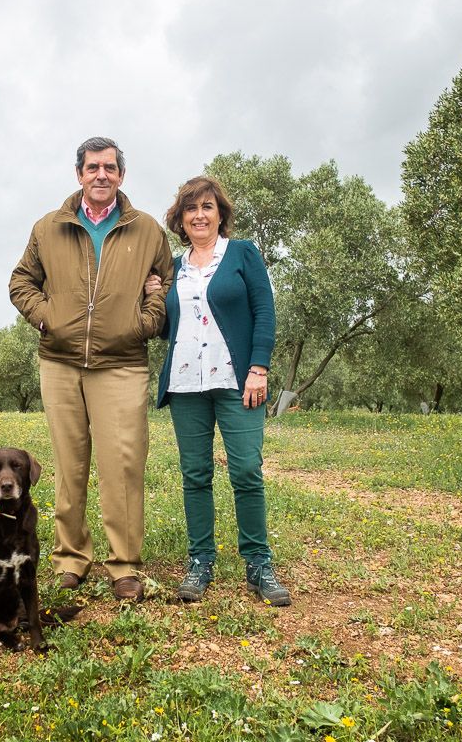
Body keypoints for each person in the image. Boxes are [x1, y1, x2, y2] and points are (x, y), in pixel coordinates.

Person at [9, 137, 174, 602]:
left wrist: (147, 320)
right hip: (59, 363)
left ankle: (123, 565)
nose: (101, 175)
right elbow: (21, 281)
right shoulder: (49, 227)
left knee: (123, 464)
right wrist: (46, 316)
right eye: (92, 167)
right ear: (78, 174)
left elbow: (164, 282)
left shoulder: (147, 230)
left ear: (121, 176)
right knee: (69, 464)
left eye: (109, 168)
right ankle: (70, 560)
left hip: (122, 364)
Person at [150, 175, 291, 606]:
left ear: (220, 214)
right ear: (180, 219)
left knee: (246, 470)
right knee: (195, 475)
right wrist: (154, 297)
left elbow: (264, 312)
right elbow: (163, 330)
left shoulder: (243, 253)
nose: (199, 215)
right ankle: (200, 562)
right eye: (191, 209)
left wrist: (259, 368)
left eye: (207, 207)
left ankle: (259, 564)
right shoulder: (171, 268)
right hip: (186, 383)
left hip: (237, 381)